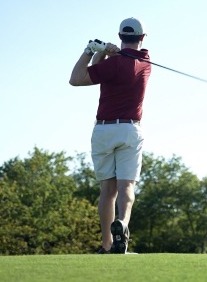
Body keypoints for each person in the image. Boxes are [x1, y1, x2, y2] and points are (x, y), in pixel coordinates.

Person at [69, 17, 151, 254]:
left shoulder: (112, 64)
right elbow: (108, 66)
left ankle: (106, 245)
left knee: (107, 191)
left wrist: (93, 50)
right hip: (130, 129)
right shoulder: (146, 62)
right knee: (127, 187)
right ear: (142, 38)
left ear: (119, 36)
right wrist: (108, 53)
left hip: (104, 130)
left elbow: (77, 79)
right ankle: (123, 225)